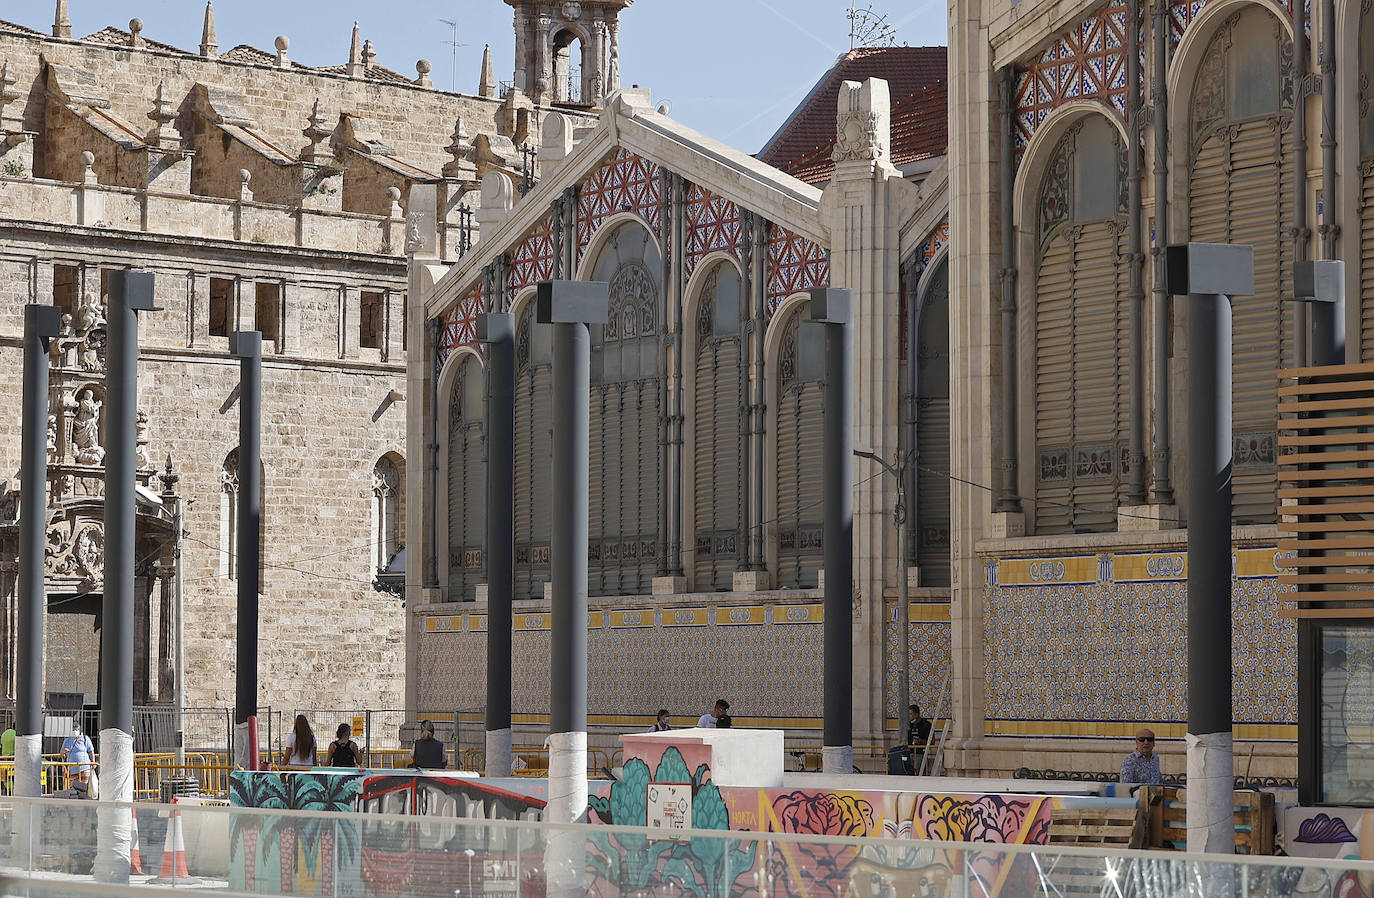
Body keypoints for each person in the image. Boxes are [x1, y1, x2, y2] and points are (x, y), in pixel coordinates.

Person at [888, 703, 933, 775]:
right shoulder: (908, 724)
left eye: (910, 714)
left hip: (919, 753)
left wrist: (920, 741)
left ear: (916, 714)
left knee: (916, 771)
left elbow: (931, 741)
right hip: (908, 752)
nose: (909, 716)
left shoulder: (926, 725)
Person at [61, 723, 95, 789]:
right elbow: (61, 753)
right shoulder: (67, 740)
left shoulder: (85, 739)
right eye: (73, 730)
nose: (75, 732)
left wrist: (93, 762)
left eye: (76, 730)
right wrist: (64, 751)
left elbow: (91, 751)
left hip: (85, 768)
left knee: (84, 788)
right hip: (72, 769)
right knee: (73, 788)